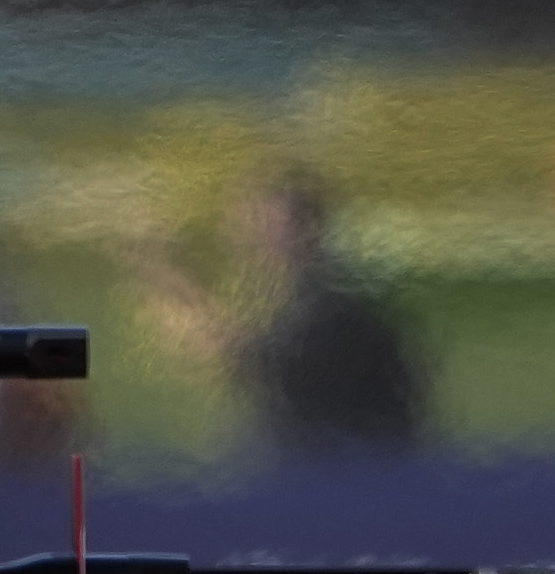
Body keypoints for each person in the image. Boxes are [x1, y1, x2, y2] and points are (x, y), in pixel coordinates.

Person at [134, 174, 425, 456]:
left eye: (266, 222)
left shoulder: (327, 303)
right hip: (348, 456)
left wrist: (159, 271)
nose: (252, 233)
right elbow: (239, 345)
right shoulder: (312, 291)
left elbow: (235, 353)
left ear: (305, 228)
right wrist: (165, 276)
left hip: (347, 465)